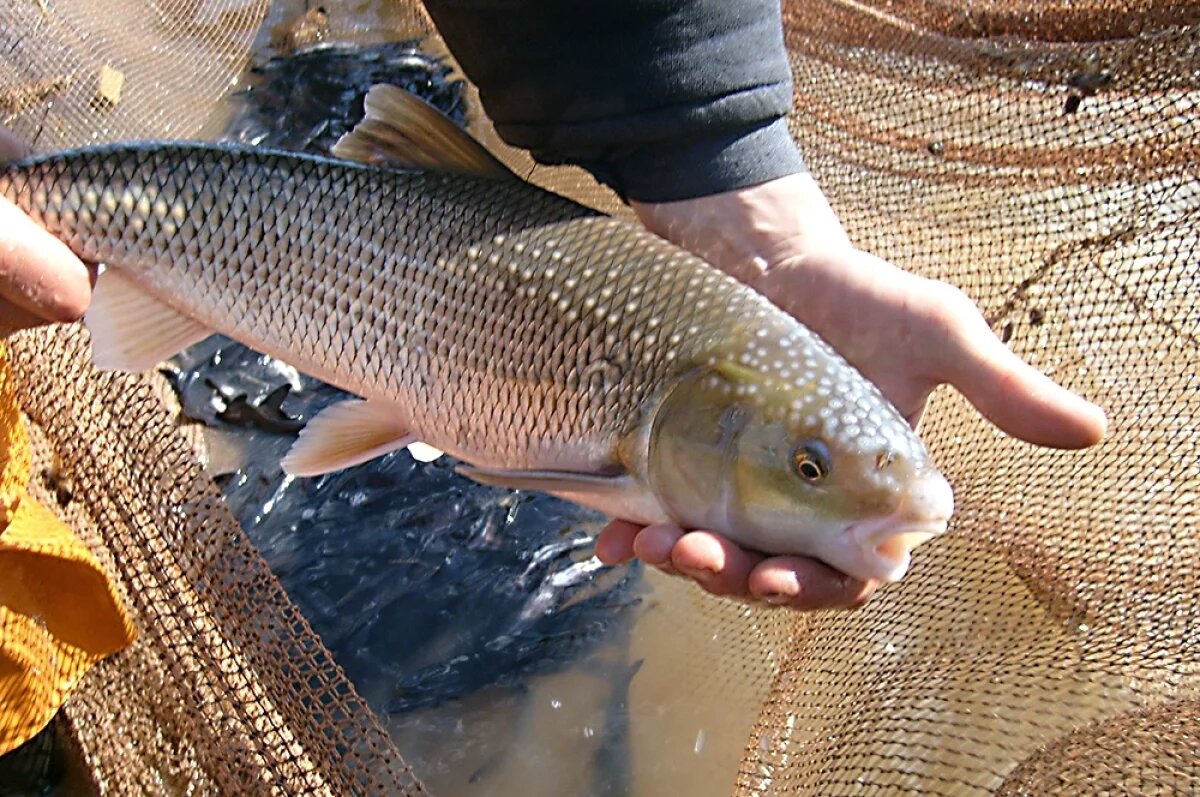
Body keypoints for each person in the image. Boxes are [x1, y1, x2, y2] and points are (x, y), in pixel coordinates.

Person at [0, 0, 1106, 613]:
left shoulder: (725, 361)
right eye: (807, 468)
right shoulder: (645, 448)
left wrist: (723, 170)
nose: (823, 484)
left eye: (810, 469)